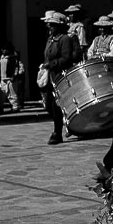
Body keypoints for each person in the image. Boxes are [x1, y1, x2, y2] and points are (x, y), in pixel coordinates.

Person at [40, 11, 76, 145]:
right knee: (48, 104)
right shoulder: (50, 40)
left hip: (60, 76)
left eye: (52, 25)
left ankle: (57, 133)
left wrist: (52, 64)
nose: (49, 27)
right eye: (48, 25)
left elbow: (67, 58)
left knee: (56, 106)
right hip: (50, 76)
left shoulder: (64, 39)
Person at [0, 41, 24, 112]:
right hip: (2, 79)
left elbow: (17, 68)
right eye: (2, 49)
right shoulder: (0, 58)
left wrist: (14, 76)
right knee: (1, 95)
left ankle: (15, 107)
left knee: (12, 94)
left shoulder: (13, 58)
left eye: (5, 49)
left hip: (10, 79)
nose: (3, 51)